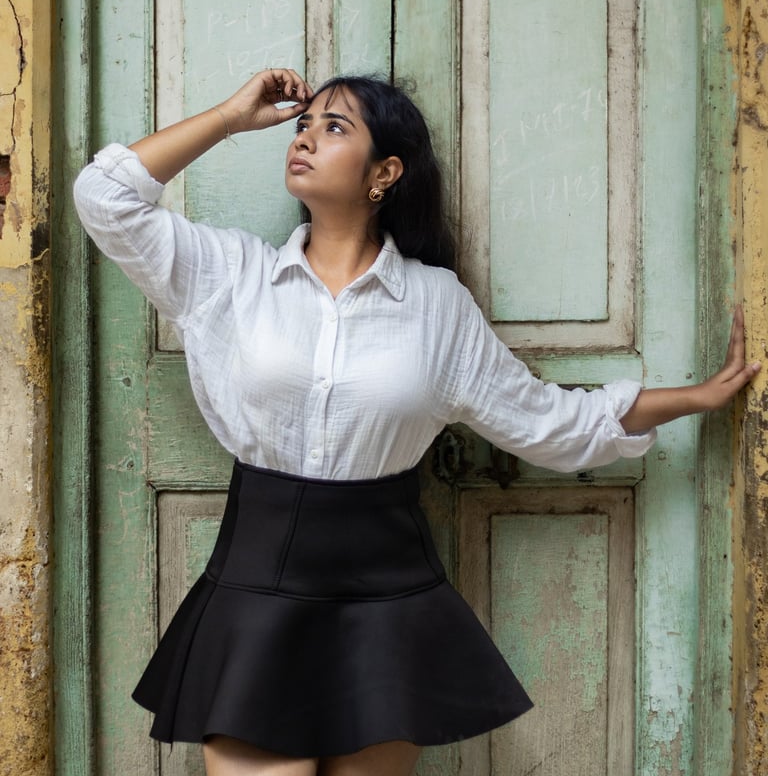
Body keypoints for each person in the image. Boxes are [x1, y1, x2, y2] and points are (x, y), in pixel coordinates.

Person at [73, 67, 760, 776]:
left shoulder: (436, 305)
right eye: (303, 124)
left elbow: (551, 423)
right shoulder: (229, 273)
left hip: (386, 599)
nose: (304, 136)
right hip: (256, 587)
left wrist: (697, 398)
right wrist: (227, 117)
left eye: (334, 127)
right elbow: (105, 196)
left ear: (385, 172)